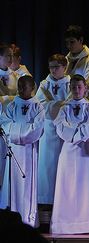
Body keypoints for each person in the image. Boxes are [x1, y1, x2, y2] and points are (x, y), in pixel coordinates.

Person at [50, 74, 89, 234]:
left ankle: (84, 224)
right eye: (73, 87)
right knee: (66, 186)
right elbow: (61, 129)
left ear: (85, 88)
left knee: (83, 188)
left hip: (85, 153)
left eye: (79, 87)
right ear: (70, 88)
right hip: (67, 152)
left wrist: (73, 130)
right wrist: (79, 131)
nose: (76, 90)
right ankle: (64, 224)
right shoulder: (64, 108)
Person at [0, 76, 44, 227]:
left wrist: (18, 133)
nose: (21, 90)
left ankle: (28, 220)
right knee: (13, 185)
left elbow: (37, 128)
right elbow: (4, 123)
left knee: (28, 184)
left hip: (29, 151)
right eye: (19, 86)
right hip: (14, 151)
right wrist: (20, 133)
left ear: (32, 88)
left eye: (24, 87)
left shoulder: (38, 106)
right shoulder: (12, 105)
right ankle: (13, 220)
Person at [35, 54, 70, 206]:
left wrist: (59, 106)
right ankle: (46, 200)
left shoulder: (71, 83)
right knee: (47, 165)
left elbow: (72, 102)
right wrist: (58, 105)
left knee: (64, 165)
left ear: (65, 67)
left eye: (57, 67)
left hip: (65, 129)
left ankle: (64, 200)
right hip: (48, 129)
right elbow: (39, 104)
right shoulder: (44, 84)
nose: (53, 70)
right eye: (51, 67)